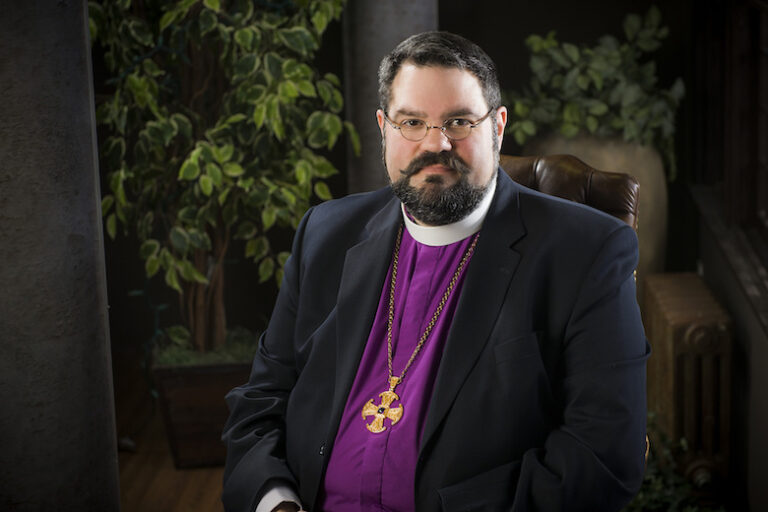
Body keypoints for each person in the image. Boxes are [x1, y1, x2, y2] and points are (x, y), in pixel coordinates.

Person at [222, 31, 649, 512]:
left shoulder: (587, 252)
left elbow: (602, 455)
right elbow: (261, 400)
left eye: (459, 122)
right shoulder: (325, 233)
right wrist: (277, 503)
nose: (436, 143)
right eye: (412, 122)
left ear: (498, 126)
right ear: (384, 128)